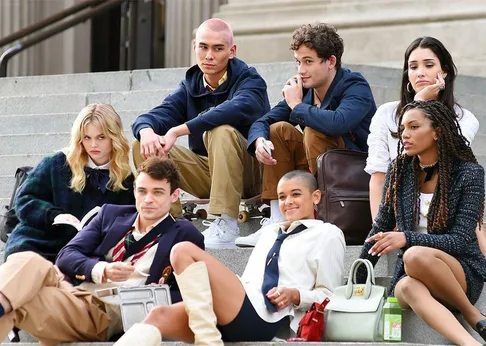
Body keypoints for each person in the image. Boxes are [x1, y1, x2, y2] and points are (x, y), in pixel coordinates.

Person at [53, 170, 345, 346]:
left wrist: (297, 294)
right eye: (281, 196)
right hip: (238, 305)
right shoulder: (268, 233)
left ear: (316, 196)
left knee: (181, 250)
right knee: (158, 316)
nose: (287, 202)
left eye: (296, 194)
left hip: (267, 315)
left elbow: (330, 295)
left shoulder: (328, 235)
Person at [0, 157, 204, 346]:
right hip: (73, 291)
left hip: (104, 313)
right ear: (134, 191)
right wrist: (102, 269)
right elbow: (67, 256)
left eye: (157, 192)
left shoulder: (185, 235)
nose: (148, 199)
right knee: (26, 260)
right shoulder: (111, 214)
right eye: (142, 191)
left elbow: (192, 295)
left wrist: (154, 294)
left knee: (15, 306)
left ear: (174, 195)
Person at [359, 101, 486, 346]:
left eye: (414, 127)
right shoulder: (399, 171)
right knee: (405, 284)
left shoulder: (470, 174)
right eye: (403, 128)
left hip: (459, 272)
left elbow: (462, 241)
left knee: (415, 254)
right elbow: (380, 226)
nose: (405, 134)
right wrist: (358, 270)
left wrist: (406, 238)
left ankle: (472, 313)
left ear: (438, 131)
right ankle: (473, 343)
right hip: (412, 273)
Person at [131, 18, 270, 248]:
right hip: (209, 173)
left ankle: (226, 222)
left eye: (218, 48)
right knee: (142, 145)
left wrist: (179, 129)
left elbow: (232, 109)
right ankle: (168, 222)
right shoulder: (190, 86)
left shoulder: (250, 80)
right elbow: (155, 115)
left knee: (220, 131)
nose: (209, 55)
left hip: (251, 172)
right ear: (194, 46)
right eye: (203, 47)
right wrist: (145, 131)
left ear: (232, 51)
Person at [237, 23, 376, 247]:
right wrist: (259, 141)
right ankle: (277, 220)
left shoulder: (354, 85)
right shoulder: (306, 91)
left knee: (314, 130)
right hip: (316, 171)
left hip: (350, 178)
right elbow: (264, 120)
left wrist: (297, 105)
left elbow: (338, 123)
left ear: (331, 61)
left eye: (308, 62)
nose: (301, 70)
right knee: (277, 130)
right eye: (298, 62)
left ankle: (318, 215)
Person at [365, 36, 479, 220]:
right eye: (413, 67)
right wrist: (380, 228)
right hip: (397, 215)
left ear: (445, 71)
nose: (420, 73)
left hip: (442, 216)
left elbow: (444, 160)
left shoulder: (464, 119)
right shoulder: (386, 114)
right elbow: (379, 177)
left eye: (428, 65)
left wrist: (419, 104)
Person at [5, 103, 136, 262]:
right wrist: (53, 215)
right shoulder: (57, 163)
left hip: (84, 250)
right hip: (39, 240)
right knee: (23, 262)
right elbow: (24, 199)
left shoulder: (125, 179)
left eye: (101, 137)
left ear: (114, 137)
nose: (93, 145)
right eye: (87, 137)